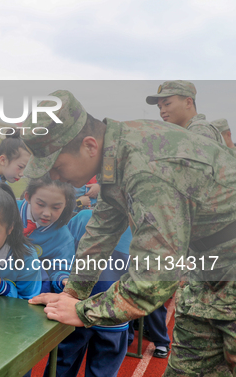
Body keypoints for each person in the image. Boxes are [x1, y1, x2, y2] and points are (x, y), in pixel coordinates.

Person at [26, 90, 236, 376]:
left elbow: (154, 279)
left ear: (89, 146)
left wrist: (83, 312)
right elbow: (101, 230)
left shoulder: (146, 167)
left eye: (58, 167)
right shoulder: (116, 153)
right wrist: (72, 293)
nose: (56, 178)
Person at [44, 209, 131, 377]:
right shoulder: (148, 231)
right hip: (113, 315)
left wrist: (59, 280)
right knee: (103, 370)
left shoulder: (84, 217)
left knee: (61, 365)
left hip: (75, 308)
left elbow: (61, 252)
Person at [19, 176, 76, 294]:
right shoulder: (7, 212)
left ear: (65, 205)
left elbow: (61, 269)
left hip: (32, 290)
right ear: (28, 197)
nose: (46, 213)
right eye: (40, 204)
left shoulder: (63, 238)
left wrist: (63, 280)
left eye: (56, 208)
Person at [146, 80, 225, 144]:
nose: (162, 111)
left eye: (167, 104)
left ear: (188, 103)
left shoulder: (199, 129)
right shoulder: (187, 131)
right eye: (160, 107)